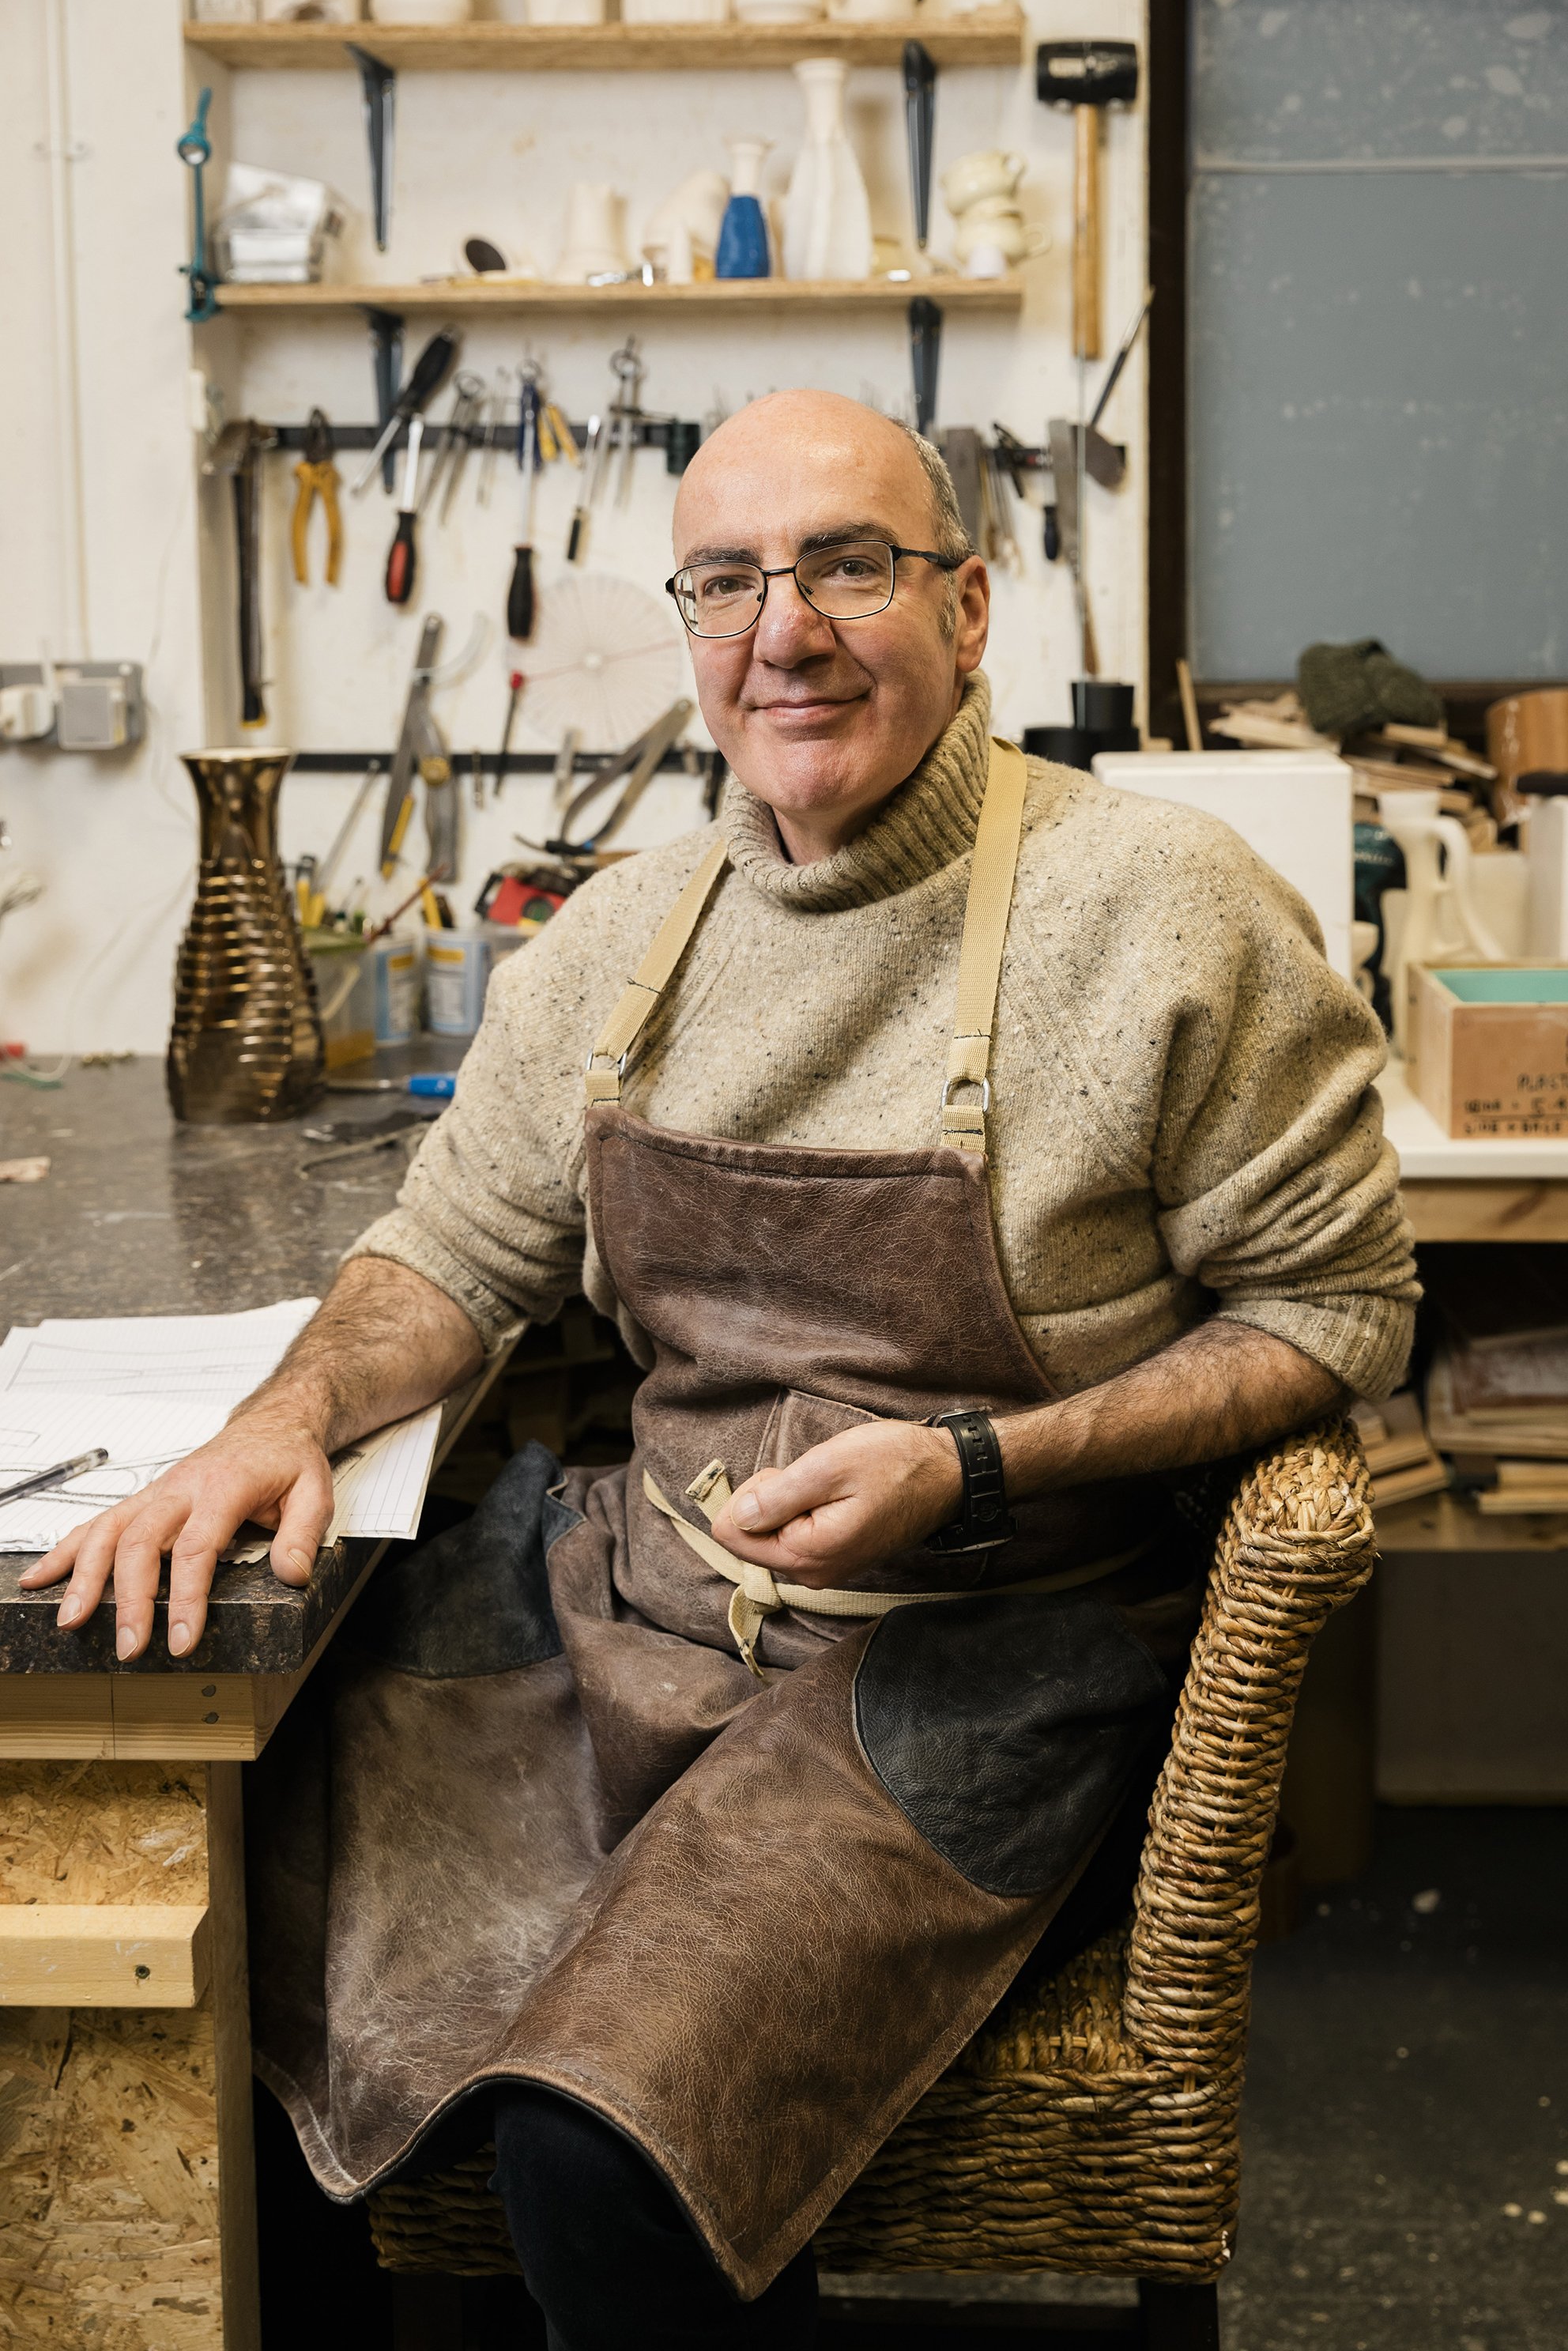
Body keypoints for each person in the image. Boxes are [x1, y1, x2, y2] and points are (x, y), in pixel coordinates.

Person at [24, 392, 1417, 2349]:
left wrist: (978, 1464)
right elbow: (456, 1246)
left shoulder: (1160, 912)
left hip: (974, 1639)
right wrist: (284, 1419)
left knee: (595, 2159)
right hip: (642, 1599)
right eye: (729, 581)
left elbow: (1335, 1310)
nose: (787, 628)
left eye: (849, 564)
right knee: (214, 1953)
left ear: (968, 604)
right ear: (686, 629)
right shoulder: (620, 935)